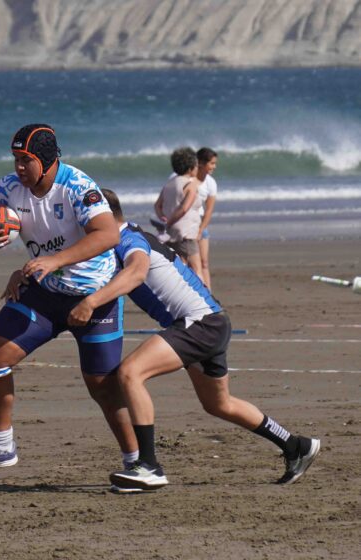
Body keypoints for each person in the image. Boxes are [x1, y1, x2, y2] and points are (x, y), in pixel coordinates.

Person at [71, 189, 319, 492]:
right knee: (219, 404)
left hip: (199, 323)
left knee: (129, 373)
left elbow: (136, 273)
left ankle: (148, 466)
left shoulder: (128, 240)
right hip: (211, 322)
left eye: (86, 220)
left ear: (105, 218)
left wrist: (92, 302)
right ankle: (296, 446)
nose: (82, 228)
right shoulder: (124, 240)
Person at [0, 124, 137, 475]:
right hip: (44, 291)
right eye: (15, 159)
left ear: (47, 159)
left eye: (26, 160)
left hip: (93, 296)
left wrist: (55, 260)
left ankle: (137, 461)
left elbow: (108, 234)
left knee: (102, 386)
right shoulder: (10, 188)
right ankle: (1, 447)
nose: (18, 168)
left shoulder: (78, 187)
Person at [154, 147, 203, 281]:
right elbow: (184, 208)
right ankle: (204, 298)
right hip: (186, 232)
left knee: (179, 267)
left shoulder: (169, 184)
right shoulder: (190, 185)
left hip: (170, 233)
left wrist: (163, 218)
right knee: (196, 269)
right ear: (190, 167)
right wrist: (169, 221)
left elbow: (157, 205)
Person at [195, 147, 218, 290]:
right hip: (184, 225)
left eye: (215, 163)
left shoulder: (210, 182)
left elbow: (209, 210)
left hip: (200, 223)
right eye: (211, 163)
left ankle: (209, 295)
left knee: (204, 262)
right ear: (201, 163)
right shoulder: (187, 178)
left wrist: (201, 229)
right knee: (189, 263)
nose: (214, 167)